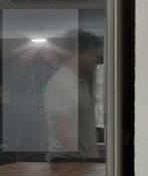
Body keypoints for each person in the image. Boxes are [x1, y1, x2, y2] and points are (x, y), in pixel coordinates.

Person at [41, 29, 104, 157]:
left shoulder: (80, 81)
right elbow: (63, 129)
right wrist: (84, 161)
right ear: (77, 54)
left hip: (80, 161)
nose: (95, 60)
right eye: (92, 54)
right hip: (68, 162)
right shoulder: (63, 83)